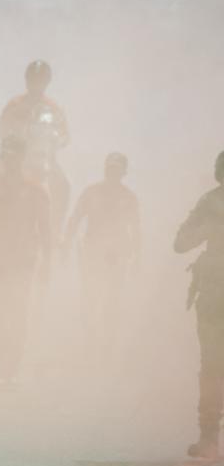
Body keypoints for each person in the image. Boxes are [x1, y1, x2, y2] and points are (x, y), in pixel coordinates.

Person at [0, 136, 50, 385]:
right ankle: (1, 365)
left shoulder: (37, 190)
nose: (10, 159)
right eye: (6, 154)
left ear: (22, 157)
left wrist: (47, 265)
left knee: (18, 314)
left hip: (23, 262)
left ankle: (10, 368)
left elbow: (46, 230)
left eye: (15, 154)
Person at [64, 152, 140, 364]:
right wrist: (66, 245)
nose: (113, 173)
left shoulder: (128, 197)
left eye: (117, 169)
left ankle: (107, 348)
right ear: (106, 170)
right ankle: (90, 345)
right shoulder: (91, 193)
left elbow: (136, 229)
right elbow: (75, 219)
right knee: (89, 300)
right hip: (92, 254)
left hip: (117, 256)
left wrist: (137, 258)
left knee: (112, 303)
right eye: (110, 169)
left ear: (123, 172)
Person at [174, 151, 224, 459]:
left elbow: (181, 242)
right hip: (214, 296)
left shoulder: (210, 202)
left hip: (213, 294)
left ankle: (208, 437)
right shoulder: (210, 204)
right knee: (212, 365)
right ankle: (208, 436)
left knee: (212, 366)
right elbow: (180, 243)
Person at [0, 60, 70, 231]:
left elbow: (66, 136)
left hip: (45, 160)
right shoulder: (14, 104)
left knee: (65, 185)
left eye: (40, 80)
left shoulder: (53, 108)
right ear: (26, 80)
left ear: (47, 82)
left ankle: (56, 227)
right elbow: (0, 131)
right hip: (14, 158)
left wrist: (55, 140)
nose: (36, 84)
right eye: (33, 79)